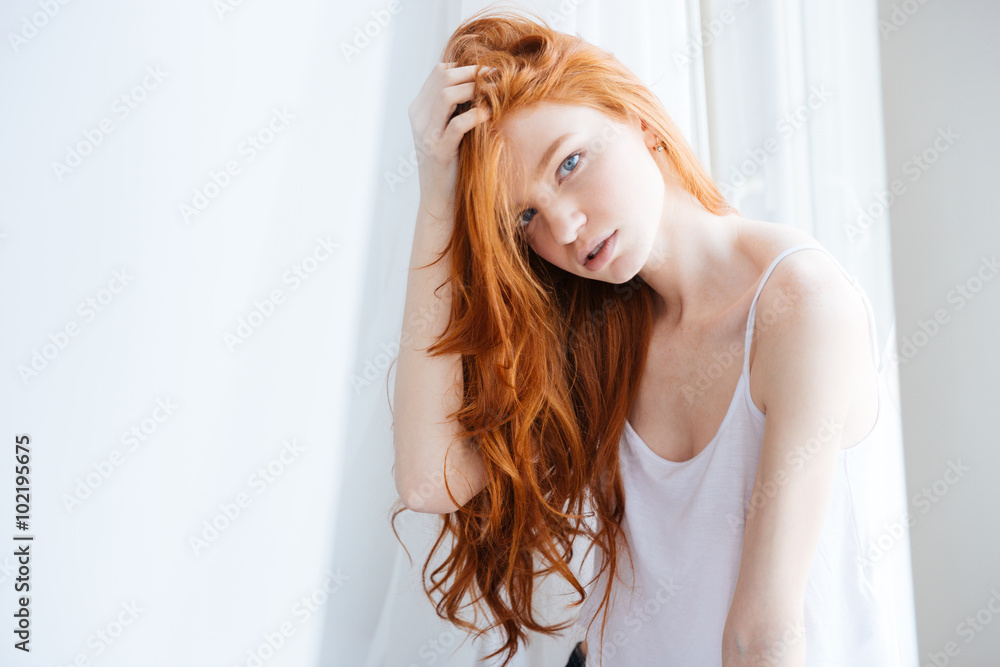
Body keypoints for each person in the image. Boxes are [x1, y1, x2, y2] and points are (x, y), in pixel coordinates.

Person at [390, 7, 917, 667]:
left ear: (639, 119)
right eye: (526, 216)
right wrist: (437, 198)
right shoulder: (599, 332)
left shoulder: (801, 306)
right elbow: (426, 479)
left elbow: (762, 633)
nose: (568, 225)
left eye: (570, 163)